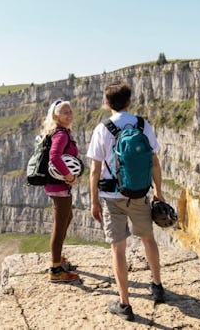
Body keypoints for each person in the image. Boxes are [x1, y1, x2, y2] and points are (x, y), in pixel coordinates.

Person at [86, 81, 167, 321]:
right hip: (140, 193)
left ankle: (124, 304)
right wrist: (158, 191)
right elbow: (154, 161)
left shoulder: (102, 129)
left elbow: (94, 169)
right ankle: (157, 286)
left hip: (112, 197)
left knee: (118, 249)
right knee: (148, 239)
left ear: (107, 103)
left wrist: (94, 201)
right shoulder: (142, 125)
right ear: (129, 101)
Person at [42, 99, 81, 283]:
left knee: (67, 218)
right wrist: (69, 176)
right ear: (56, 115)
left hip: (57, 185)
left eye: (70, 111)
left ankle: (57, 257)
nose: (69, 114)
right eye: (65, 112)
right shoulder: (61, 134)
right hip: (59, 186)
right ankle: (56, 269)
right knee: (60, 224)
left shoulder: (62, 132)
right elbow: (55, 157)